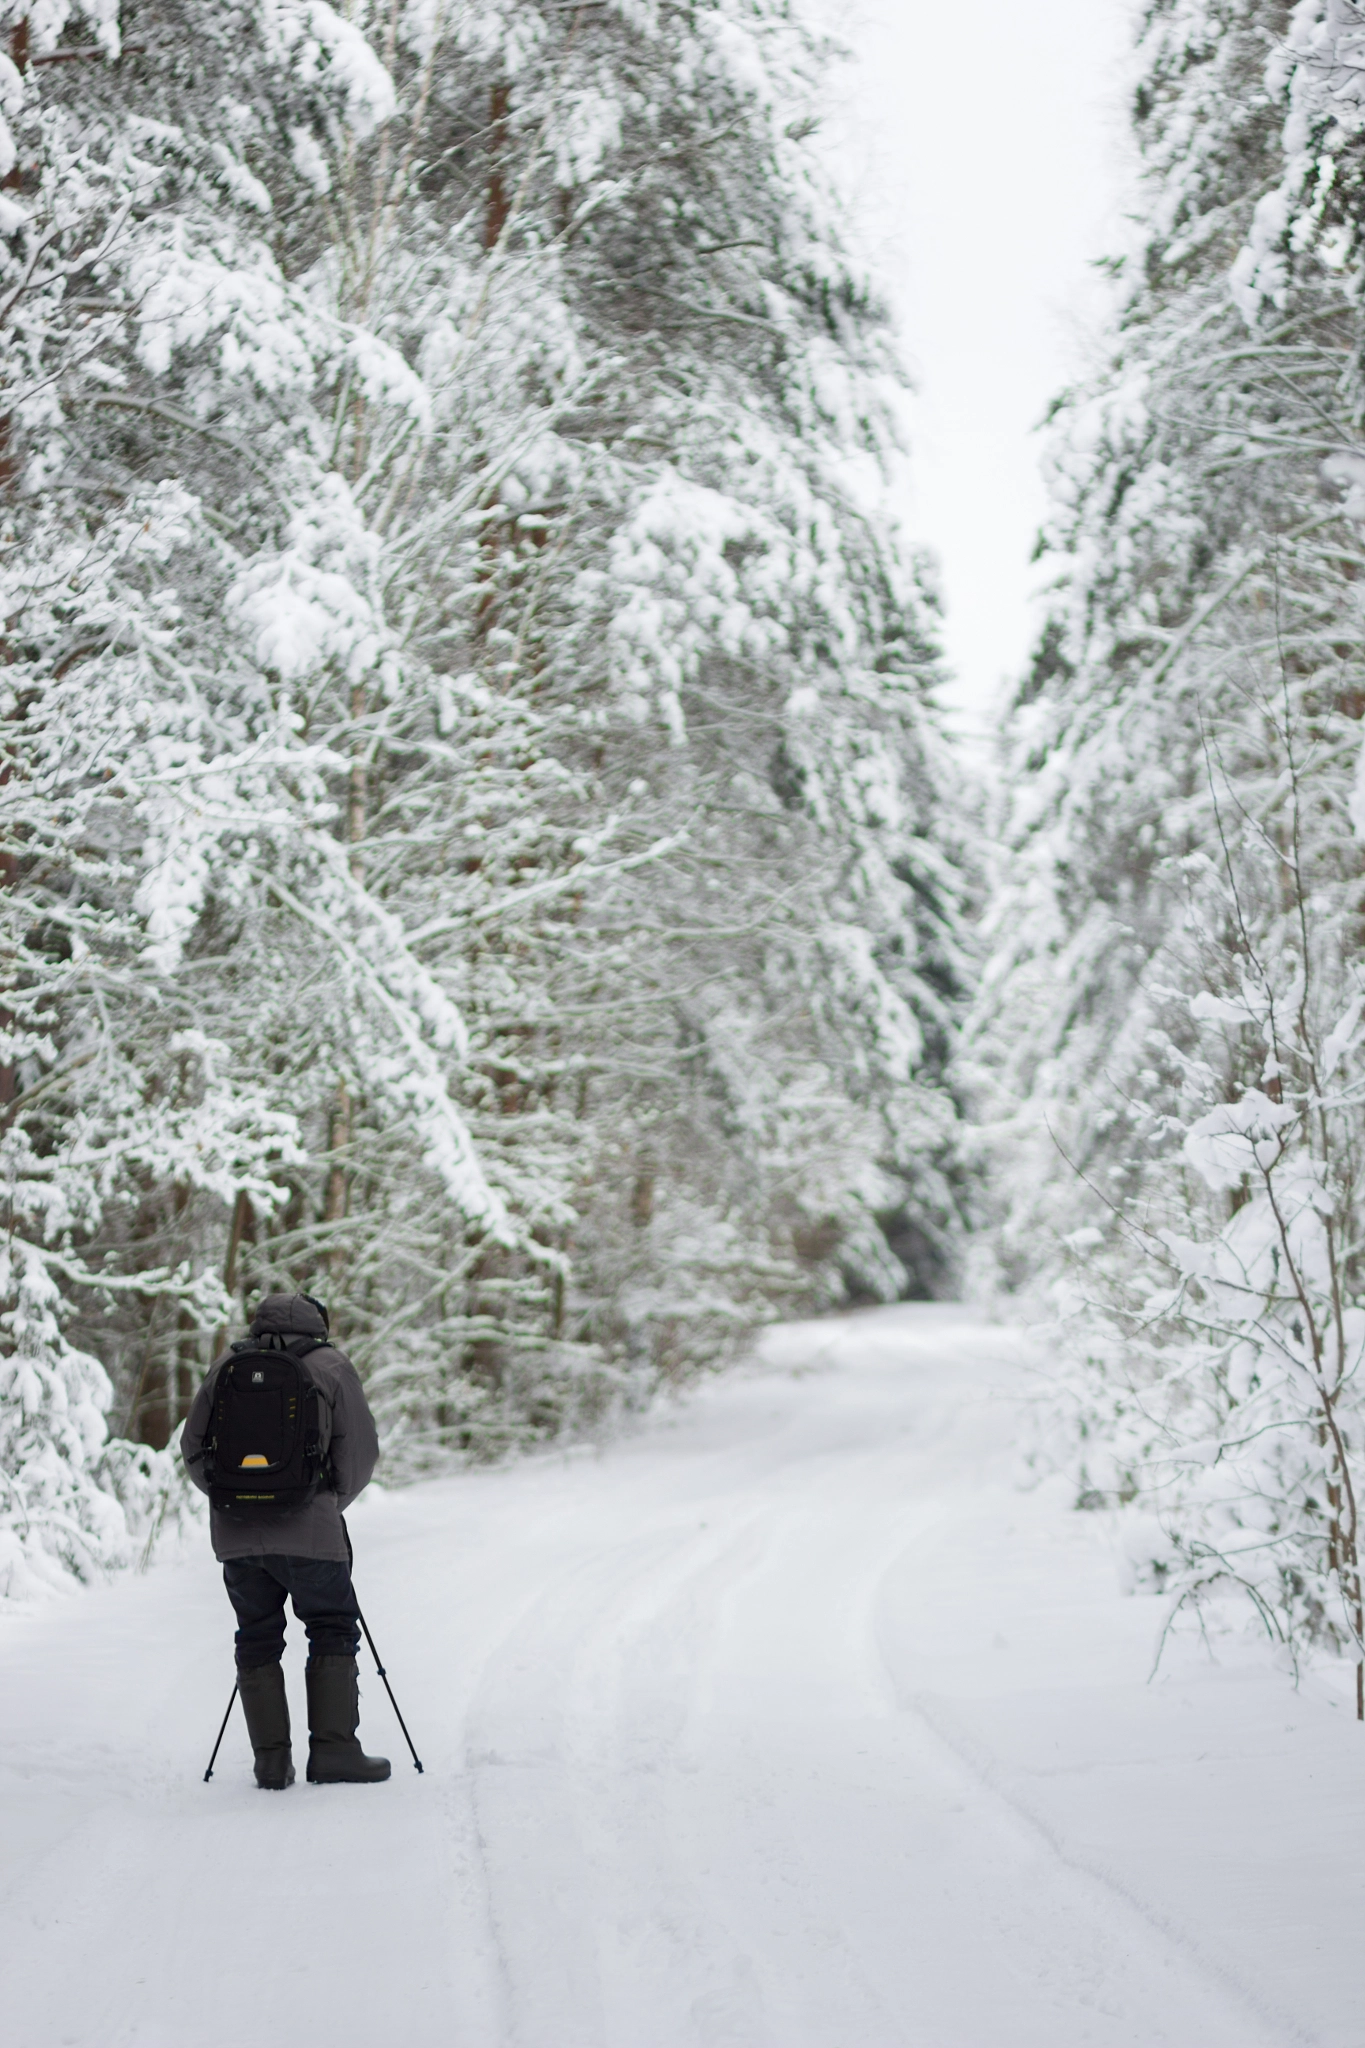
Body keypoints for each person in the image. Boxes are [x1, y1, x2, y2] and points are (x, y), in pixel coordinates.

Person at [181, 1290, 391, 1790]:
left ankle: (271, 1764)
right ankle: (335, 1752)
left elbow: (192, 1449)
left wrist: (235, 1502)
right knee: (332, 1625)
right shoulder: (331, 1366)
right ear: (319, 1322)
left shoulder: (226, 1366)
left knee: (256, 1636)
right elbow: (359, 1454)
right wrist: (324, 1503)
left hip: (236, 1539)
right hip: (310, 1530)